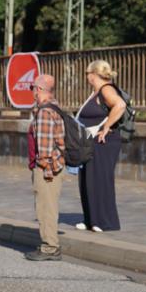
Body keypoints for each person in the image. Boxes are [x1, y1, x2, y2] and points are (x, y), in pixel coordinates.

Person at [76, 59, 125, 233]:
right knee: (87, 180)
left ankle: (104, 221)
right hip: (90, 142)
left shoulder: (106, 89)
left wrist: (106, 127)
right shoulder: (94, 92)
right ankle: (90, 218)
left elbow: (120, 105)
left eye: (87, 73)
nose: (86, 77)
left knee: (100, 179)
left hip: (104, 142)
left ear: (94, 74)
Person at [24, 74, 66, 262]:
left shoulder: (44, 113)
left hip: (48, 168)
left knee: (46, 208)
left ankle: (50, 247)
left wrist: (45, 171)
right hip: (53, 166)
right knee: (48, 206)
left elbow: (45, 148)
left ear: (39, 90)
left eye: (34, 88)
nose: (32, 92)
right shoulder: (54, 107)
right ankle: (49, 244)